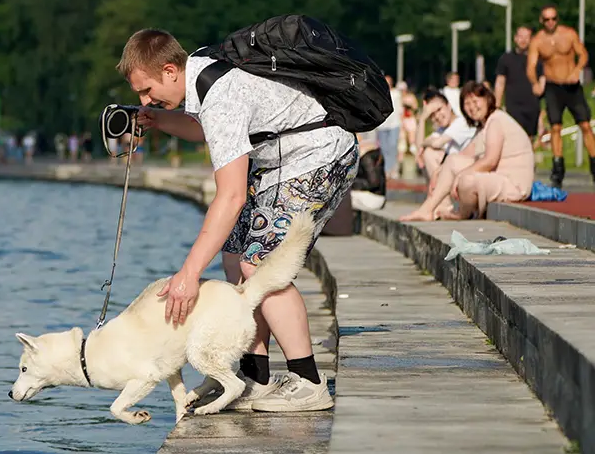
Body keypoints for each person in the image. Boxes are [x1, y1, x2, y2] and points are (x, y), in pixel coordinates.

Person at [117, 28, 358, 413]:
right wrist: (158, 120)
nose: (147, 100)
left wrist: (188, 274)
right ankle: (256, 378)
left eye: (148, 92)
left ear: (169, 71)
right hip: (284, 163)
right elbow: (208, 131)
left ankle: (309, 382)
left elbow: (229, 197)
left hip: (319, 157)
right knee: (233, 256)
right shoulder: (202, 74)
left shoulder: (220, 95)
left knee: (259, 263)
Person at [400, 81, 533, 221]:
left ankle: (461, 214)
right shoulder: (485, 125)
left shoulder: (496, 121)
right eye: (467, 104)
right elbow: (463, 154)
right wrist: (439, 170)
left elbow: (490, 161)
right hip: (499, 177)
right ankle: (427, 210)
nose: (472, 107)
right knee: (452, 161)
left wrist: (460, 175)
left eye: (475, 101)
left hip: (513, 184)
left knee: (466, 181)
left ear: (487, 99)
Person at [527, 4, 595, 187]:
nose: (551, 22)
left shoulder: (569, 34)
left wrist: (577, 71)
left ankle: (594, 165)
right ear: (542, 21)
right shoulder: (538, 41)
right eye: (547, 19)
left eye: (554, 18)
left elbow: (583, 54)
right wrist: (535, 83)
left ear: (558, 19)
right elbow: (531, 65)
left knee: (585, 125)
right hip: (552, 87)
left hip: (572, 85)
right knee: (555, 127)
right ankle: (558, 170)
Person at [495, 25, 545, 140]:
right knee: (515, 138)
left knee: (529, 139)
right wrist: (497, 103)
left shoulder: (537, 59)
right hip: (513, 107)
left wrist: (540, 88)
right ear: (515, 38)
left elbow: (542, 78)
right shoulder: (506, 59)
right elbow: (500, 82)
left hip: (532, 106)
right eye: (521, 37)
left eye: (527, 37)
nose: (523, 40)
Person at [414, 89, 476, 182]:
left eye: (439, 109)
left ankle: (438, 194)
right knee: (426, 153)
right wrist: (422, 118)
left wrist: (425, 143)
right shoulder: (441, 130)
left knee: (429, 153)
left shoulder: (462, 122)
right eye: (432, 115)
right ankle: (438, 193)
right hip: (455, 171)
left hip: (471, 171)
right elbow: (419, 148)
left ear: (449, 106)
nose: (437, 116)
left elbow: (436, 143)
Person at [374, 75, 402, 179]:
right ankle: (386, 170)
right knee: (384, 148)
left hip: (394, 124)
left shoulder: (396, 93)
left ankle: (392, 169)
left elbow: (400, 109)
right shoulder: (379, 93)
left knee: (393, 146)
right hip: (382, 125)